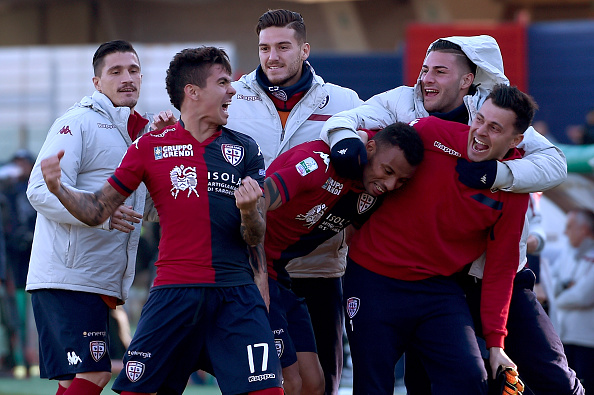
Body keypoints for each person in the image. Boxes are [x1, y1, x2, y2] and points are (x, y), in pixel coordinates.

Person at [322, 35, 583, 395]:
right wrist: (344, 142)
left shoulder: (507, 150)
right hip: (405, 278)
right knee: (411, 384)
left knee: (547, 378)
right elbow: (354, 128)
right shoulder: (416, 116)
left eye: (439, 71)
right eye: (425, 69)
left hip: (469, 279)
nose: (425, 78)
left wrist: (497, 176)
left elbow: (554, 165)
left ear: (468, 80)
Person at [39, 46, 283, 395]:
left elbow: (255, 233)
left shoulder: (246, 148)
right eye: (224, 82)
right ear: (193, 92)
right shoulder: (148, 147)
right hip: (173, 293)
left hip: (236, 294)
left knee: (268, 391)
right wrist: (59, 188)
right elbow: (97, 209)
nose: (233, 90)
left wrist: (248, 210)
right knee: (136, 390)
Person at [337, 84, 536, 394]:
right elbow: (376, 145)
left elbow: (500, 266)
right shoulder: (430, 132)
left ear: (516, 140)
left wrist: (496, 344)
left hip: (438, 289)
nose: (480, 132)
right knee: (372, 386)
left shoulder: (514, 185)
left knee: (470, 380)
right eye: (479, 119)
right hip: (373, 279)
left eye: (494, 128)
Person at [225, 9, 363, 395]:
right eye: (264, 47)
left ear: (304, 49)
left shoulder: (344, 101)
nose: (272, 57)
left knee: (324, 384)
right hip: (253, 264)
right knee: (266, 381)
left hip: (320, 265)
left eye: (283, 47)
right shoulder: (233, 100)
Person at [26, 40, 154, 395]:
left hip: (96, 279)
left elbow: (145, 206)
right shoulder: (77, 122)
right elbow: (38, 191)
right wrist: (101, 215)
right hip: (67, 276)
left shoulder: (138, 133)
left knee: (76, 380)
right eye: (115, 72)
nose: (126, 78)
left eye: (132, 70)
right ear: (97, 82)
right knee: (95, 373)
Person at [261, 123, 423, 394]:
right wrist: (253, 276)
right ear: (369, 148)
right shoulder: (319, 162)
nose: (391, 185)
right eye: (388, 171)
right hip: (248, 270)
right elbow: (258, 199)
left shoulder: (370, 191)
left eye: (401, 181)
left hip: (278, 273)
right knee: (287, 381)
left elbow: (354, 239)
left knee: (314, 384)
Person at [549, 208, 594, 391]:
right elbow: (550, 282)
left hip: (587, 343)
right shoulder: (568, 254)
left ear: (583, 229)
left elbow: (584, 295)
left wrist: (553, 298)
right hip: (564, 339)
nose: (564, 232)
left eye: (569, 227)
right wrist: (565, 287)